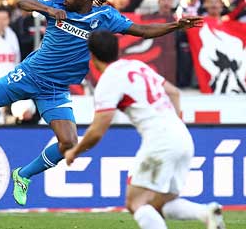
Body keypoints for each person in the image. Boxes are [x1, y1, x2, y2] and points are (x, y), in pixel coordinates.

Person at [0, 0, 202, 206]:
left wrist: (176, 26)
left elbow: (141, 30)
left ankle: (23, 175)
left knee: (68, 143)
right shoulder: (59, 0)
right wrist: (48, 8)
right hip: (28, 74)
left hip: (56, 89)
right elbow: (22, 0)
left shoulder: (106, 17)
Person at [64, 32, 225, 229]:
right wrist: (173, 125)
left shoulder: (109, 80)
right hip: (181, 135)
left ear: (92, 55)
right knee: (161, 202)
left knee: (136, 203)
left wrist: (75, 151)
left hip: (161, 141)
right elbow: (174, 92)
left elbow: (98, 129)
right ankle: (206, 213)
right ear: (117, 49)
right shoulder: (137, 66)